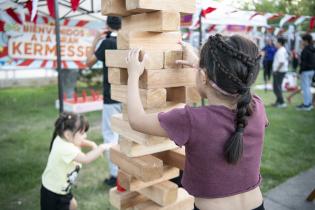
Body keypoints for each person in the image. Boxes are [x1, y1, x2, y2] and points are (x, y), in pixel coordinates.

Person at [126, 34, 267, 210]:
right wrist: (202, 66)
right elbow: (229, 83)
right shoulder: (257, 107)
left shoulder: (191, 120)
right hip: (257, 205)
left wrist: (132, 75)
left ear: (203, 76)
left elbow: (136, 120)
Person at [40, 112, 107, 210]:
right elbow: (86, 159)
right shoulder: (65, 148)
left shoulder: (63, 139)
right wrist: (101, 147)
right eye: (82, 133)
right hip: (53, 192)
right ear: (68, 134)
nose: (85, 136)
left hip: (61, 188)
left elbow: (79, 141)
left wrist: (91, 144)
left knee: (73, 205)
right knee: (70, 205)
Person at [85, 16, 122, 186]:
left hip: (111, 96)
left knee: (110, 137)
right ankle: (127, 171)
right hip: (129, 96)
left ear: (107, 25)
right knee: (126, 136)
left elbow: (88, 63)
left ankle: (115, 175)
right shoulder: (128, 41)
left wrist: (96, 39)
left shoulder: (107, 43)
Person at [296, 34, 315, 111]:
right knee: (307, 88)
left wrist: (299, 72)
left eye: (303, 40)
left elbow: (303, 63)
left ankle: (307, 105)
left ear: (306, 41)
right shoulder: (312, 48)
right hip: (312, 70)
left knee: (305, 88)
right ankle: (308, 103)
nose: (302, 42)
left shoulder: (305, 50)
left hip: (306, 71)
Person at [272, 37, 288, 108]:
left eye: (276, 42)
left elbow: (281, 62)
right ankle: (278, 101)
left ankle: (282, 102)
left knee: (277, 87)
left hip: (279, 71)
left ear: (280, 43)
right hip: (281, 71)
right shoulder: (282, 50)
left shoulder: (281, 51)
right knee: (277, 87)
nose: (275, 43)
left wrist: (276, 70)